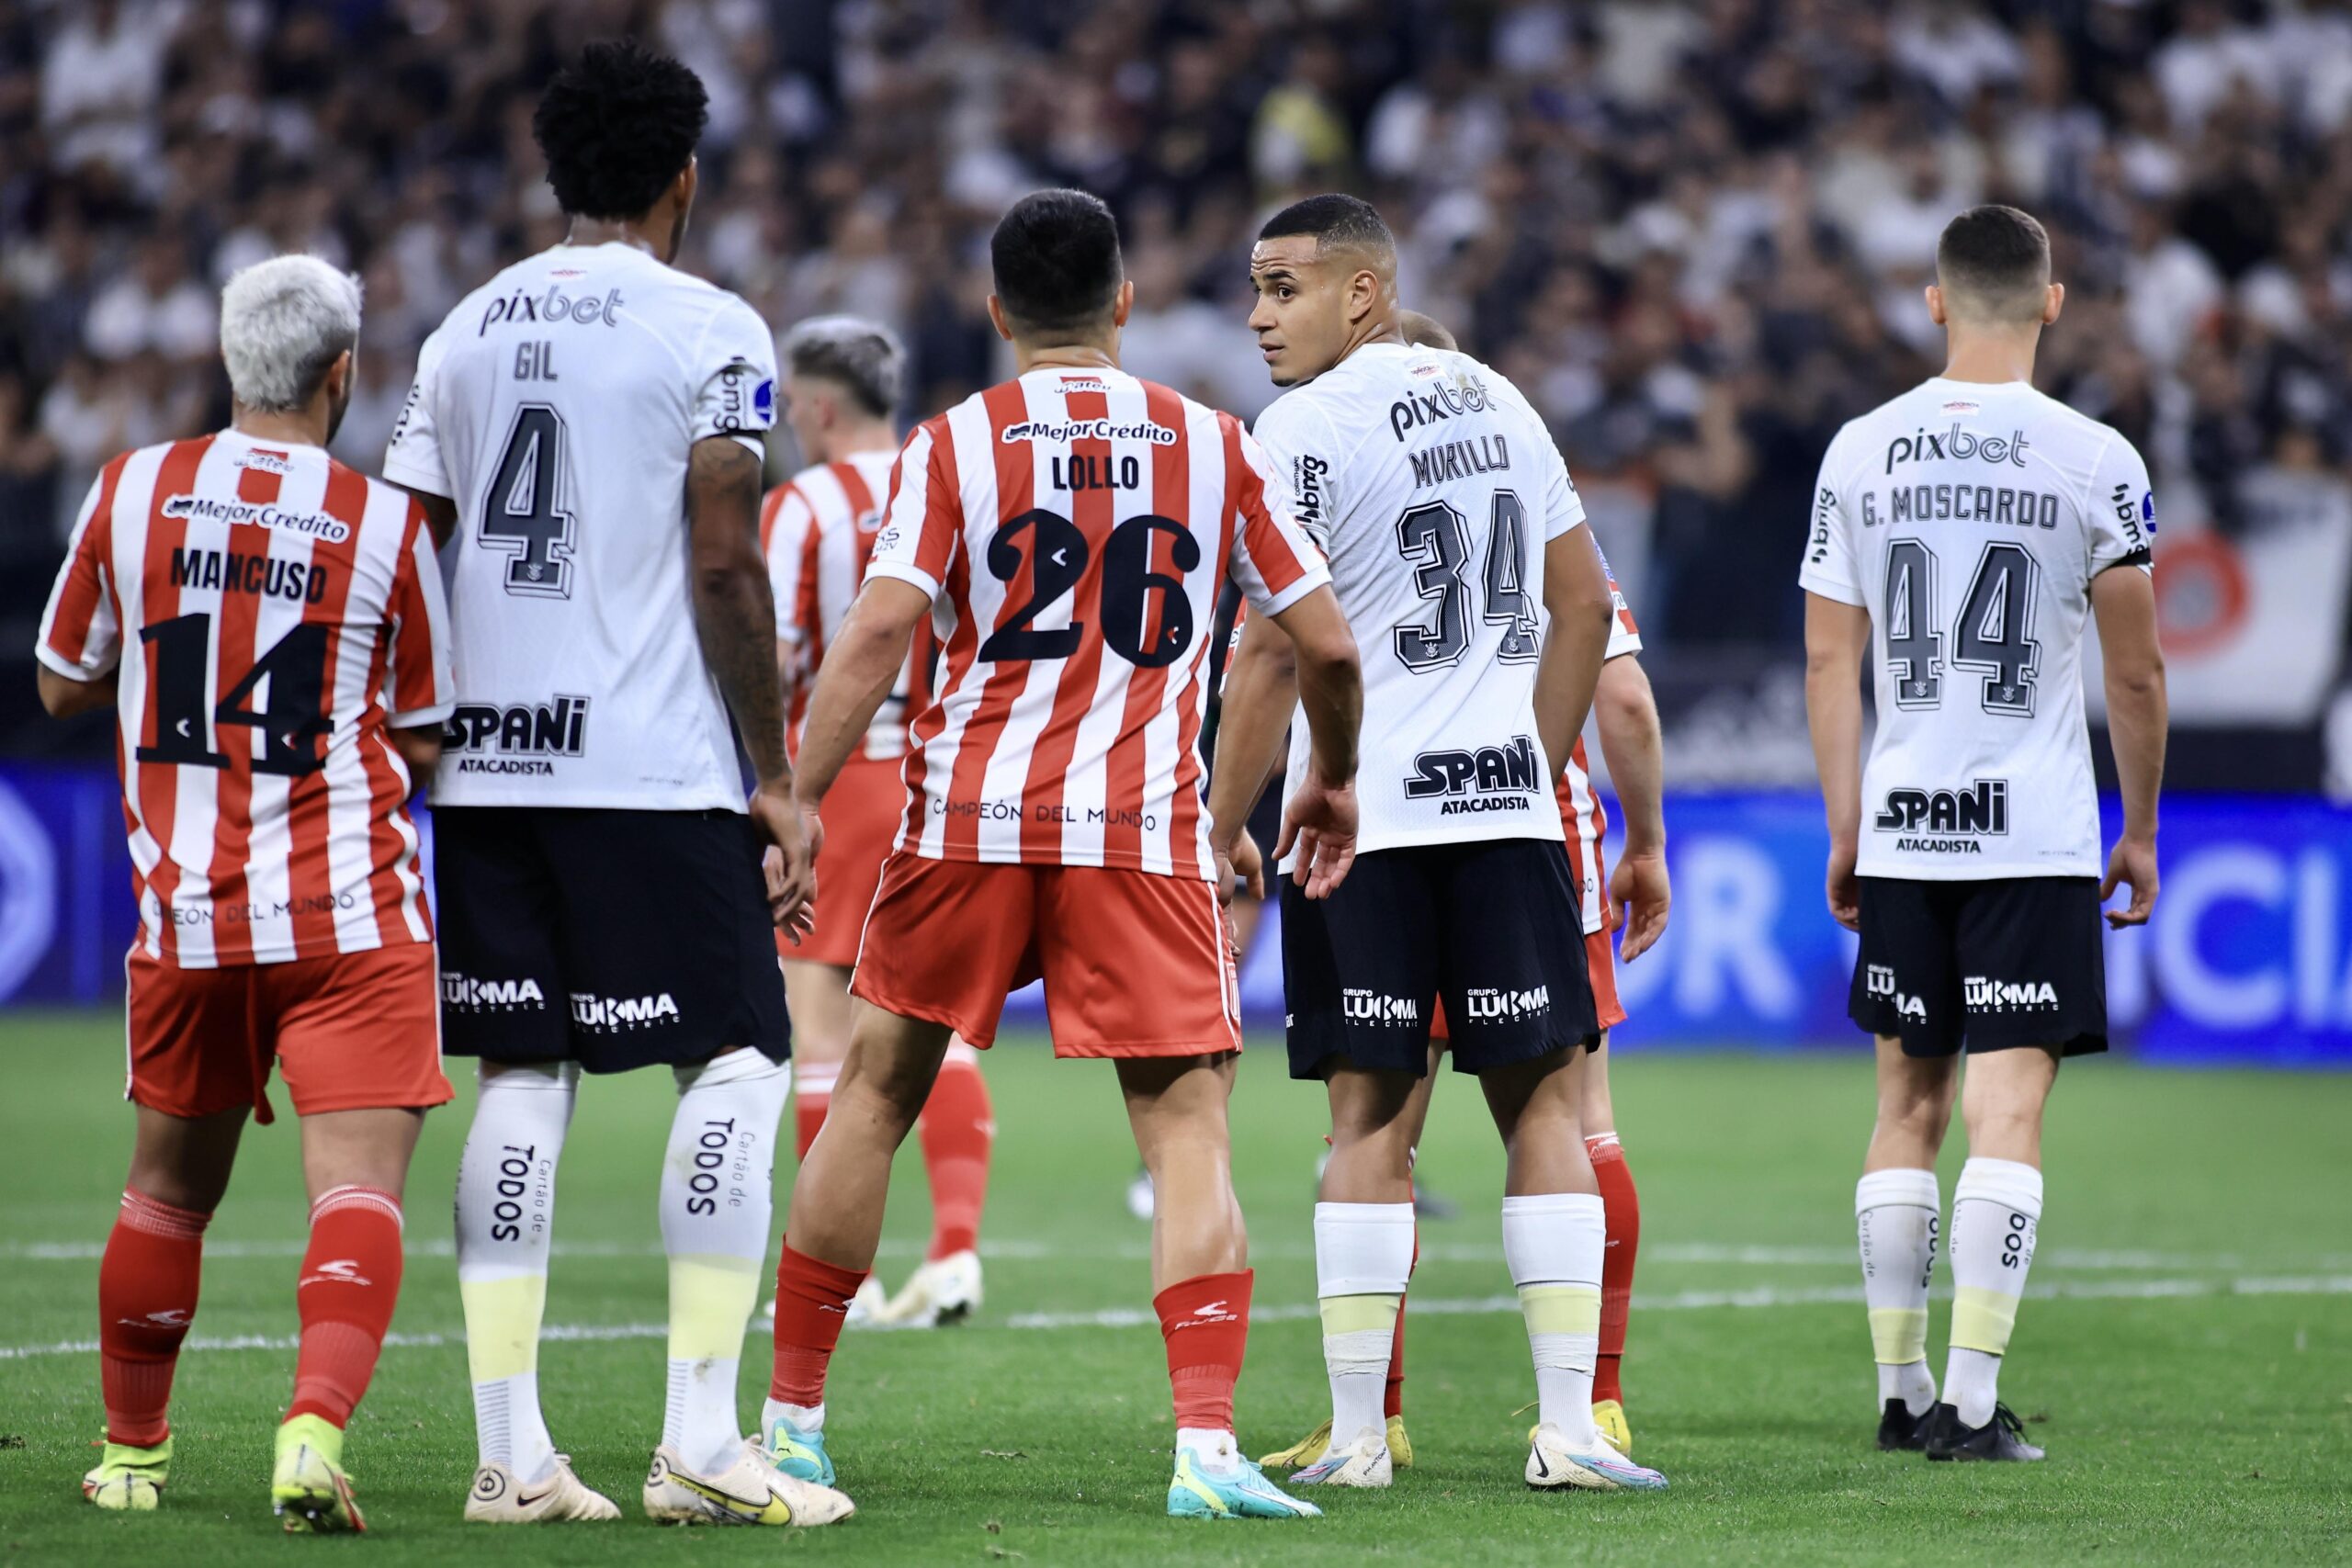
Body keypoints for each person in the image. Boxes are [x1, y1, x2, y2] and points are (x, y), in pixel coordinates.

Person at [760, 187, 1364, 1523]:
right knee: (1189, 1117)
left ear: (995, 314)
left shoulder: (954, 442)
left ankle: (792, 1426)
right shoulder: (1214, 444)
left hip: (963, 818)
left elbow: (869, 641)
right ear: (1127, 302)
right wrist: (1326, 781)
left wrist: (796, 799)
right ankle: (1207, 1446)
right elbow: (1324, 642)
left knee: (873, 1092)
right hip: (1140, 832)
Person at [381, 40, 847, 1528]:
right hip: (645, 765)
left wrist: (426, 732)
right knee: (738, 1062)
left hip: (487, 772)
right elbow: (724, 554)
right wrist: (776, 775)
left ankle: (511, 1455)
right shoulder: (708, 323)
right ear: (683, 180)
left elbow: (411, 550)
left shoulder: (461, 330)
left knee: (523, 1077)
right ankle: (703, 1438)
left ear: (555, 172)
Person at [1209, 194, 1668, 1494]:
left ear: (1363, 293)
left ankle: (1361, 1434)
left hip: (1361, 826)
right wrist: (1531, 753)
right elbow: (1584, 602)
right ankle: (1570, 1427)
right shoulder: (1502, 401)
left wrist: (1220, 823)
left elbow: (1267, 647)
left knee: (1368, 1116)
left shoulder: (1296, 430)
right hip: (1507, 816)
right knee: (1549, 1110)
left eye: (1283, 288)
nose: (1258, 316)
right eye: (1255, 288)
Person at [39, 254, 455, 1533]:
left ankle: (130, 1455)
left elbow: (61, 677)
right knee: (358, 1192)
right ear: (344, 375)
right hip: (349, 912)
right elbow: (427, 731)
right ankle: (312, 1432)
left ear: (227, 365)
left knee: (165, 1188)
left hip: (188, 917)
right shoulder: (384, 521)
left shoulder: (130, 489)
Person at [1802, 204, 2166, 1461]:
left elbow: (1827, 653)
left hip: (1906, 828)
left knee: (1907, 1102)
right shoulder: (2098, 458)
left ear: (1935, 301)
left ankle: (1901, 1393)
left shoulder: (1860, 449)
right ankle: (1968, 1401)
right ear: (2053, 304)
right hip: (2035, 833)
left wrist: (1848, 819)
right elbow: (2136, 677)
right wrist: (2144, 828)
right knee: (2009, 1110)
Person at [759, 315, 993, 1327]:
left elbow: (773, 664)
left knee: (820, 1026)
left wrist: (776, 784)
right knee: (942, 1026)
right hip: (946, 775)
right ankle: (954, 1252)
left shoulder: (801, 505)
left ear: (815, 405)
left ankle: (834, 1283)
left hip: (842, 776)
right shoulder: (951, 475)